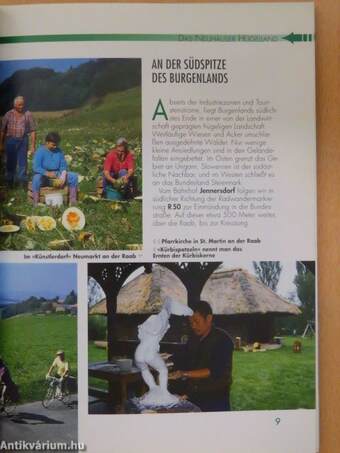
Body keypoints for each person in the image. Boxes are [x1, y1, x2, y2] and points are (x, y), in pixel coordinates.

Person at [168, 300, 234, 412]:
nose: (193, 325)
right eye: (190, 322)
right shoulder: (193, 338)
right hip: (194, 395)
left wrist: (184, 374)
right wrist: (167, 362)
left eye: (196, 321)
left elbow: (215, 370)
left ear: (208, 318)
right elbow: (184, 358)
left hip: (215, 399)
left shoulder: (223, 340)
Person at [32, 132, 78, 206]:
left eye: (56, 145)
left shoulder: (59, 151)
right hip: (44, 177)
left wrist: (63, 175)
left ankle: (72, 200)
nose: (55, 147)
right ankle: (36, 202)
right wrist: (47, 173)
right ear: (47, 142)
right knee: (36, 179)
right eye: (53, 145)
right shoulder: (40, 151)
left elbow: (63, 165)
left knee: (73, 176)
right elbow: (36, 167)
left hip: (57, 175)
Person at [0, 96, 36, 187]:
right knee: (10, 162)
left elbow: (32, 130)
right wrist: (1, 144)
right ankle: (9, 182)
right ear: (14, 105)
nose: (22, 106)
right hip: (11, 140)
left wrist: (32, 146)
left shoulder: (28, 114)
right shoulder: (8, 114)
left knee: (22, 162)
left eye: (23, 104)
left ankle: (22, 183)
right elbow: (2, 130)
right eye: (19, 105)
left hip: (23, 140)